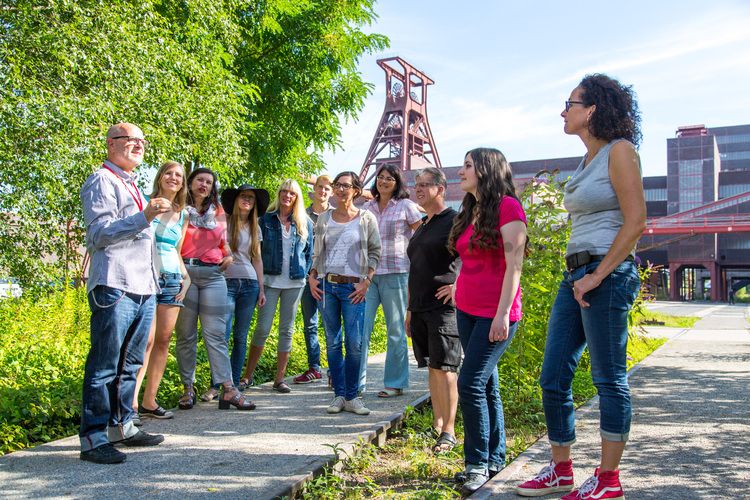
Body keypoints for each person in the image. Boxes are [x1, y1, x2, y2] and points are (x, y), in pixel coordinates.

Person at [516, 74, 645, 500]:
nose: (563, 110)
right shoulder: (587, 161)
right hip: (576, 276)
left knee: (608, 378)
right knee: (553, 375)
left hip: (605, 275)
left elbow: (636, 223)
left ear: (591, 110)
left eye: (569, 103)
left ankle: (609, 482)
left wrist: (597, 274)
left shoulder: (620, 152)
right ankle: (561, 469)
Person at [79, 122, 169, 464]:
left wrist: (154, 284)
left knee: (131, 363)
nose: (138, 145)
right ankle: (93, 439)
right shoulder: (102, 180)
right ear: (110, 144)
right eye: (130, 140)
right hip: (115, 285)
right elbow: (99, 235)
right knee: (104, 365)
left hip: (143, 287)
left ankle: (123, 427)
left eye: (142, 141)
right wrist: (144, 217)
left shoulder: (132, 185)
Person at [449, 148, 527, 495]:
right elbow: (468, 259)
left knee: (469, 382)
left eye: (467, 165)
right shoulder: (470, 209)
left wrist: (501, 315)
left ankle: (476, 464)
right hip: (466, 309)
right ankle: (496, 458)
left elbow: (514, 267)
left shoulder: (508, 207)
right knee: (486, 385)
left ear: (485, 169)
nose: (461, 170)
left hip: (495, 314)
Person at [174, 167, 255, 411]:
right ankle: (188, 388)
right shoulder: (178, 209)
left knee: (217, 334)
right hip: (185, 274)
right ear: (190, 183)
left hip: (213, 275)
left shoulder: (218, 211)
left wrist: (229, 255)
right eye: (200, 180)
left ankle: (229, 389)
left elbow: (224, 243)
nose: (204, 185)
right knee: (186, 335)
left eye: (209, 182)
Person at [309, 171, 381, 415]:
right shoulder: (324, 219)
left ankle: (353, 396)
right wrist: (312, 278)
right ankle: (339, 395)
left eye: (346, 186)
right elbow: (317, 253)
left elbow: (374, 252)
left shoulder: (366, 218)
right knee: (333, 342)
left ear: (356, 191)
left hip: (354, 288)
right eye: (337, 185)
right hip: (328, 287)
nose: (340, 190)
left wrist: (366, 282)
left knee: (355, 343)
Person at [405, 167, 461, 453]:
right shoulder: (424, 224)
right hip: (419, 306)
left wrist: (458, 285)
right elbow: (416, 268)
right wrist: (409, 309)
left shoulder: (455, 220)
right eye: (417, 185)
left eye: (426, 185)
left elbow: (472, 255)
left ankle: (449, 432)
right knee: (432, 367)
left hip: (443, 308)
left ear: (441, 189)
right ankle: (437, 424)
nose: (419, 189)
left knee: (446, 368)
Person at [240, 179, 313, 393]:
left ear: (297, 197)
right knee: (262, 329)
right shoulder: (265, 220)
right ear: (278, 194)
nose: (287, 196)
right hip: (270, 282)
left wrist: (304, 273)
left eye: (291, 193)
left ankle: (279, 379)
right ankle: (247, 376)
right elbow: (256, 251)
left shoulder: (305, 223)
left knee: (287, 330)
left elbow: (309, 253)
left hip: (294, 283)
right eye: (284, 191)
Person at [133, 161, 191, 423]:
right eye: (169, 173)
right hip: (145, 277)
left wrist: (186, 277)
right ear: (160, 177)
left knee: (163, 341)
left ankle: (149, 401)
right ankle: (130, 404)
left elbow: (176, 251)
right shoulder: (144, 202)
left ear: (182, 183)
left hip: (172, 279)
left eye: (178, 175)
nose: (173, 178)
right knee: (144, 341)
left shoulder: (183, 214)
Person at [360, 165, 422, 397]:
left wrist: (415, 264)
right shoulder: (367, 208)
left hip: (396, 273)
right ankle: (356, 383)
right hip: (368, 275)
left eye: (389, 178)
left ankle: (394, 383)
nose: (384, 182)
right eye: (380, 178)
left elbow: (421, 235)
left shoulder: (406, 206)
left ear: (397, 183)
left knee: (395, 329)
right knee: (360, 328)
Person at [220, 184, 269, 388]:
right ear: (236, 199)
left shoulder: (255, 226)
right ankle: (218, 384)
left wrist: (262, 288)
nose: (247, 200)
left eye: (251, 197)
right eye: (243, 196)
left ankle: (234, 383)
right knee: (223, 333)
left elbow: (257, 258)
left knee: (241, 336)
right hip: (226, 282)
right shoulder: (224, 222)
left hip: (249, 284)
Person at [294, 175, 333, 384]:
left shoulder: (337, 215)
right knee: (309, 323)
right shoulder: (302, 214)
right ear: (314, 189)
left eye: (327, 188)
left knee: (331, 324)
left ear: (331, 192)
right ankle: (314, 368)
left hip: (329, 278)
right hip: (306, 276)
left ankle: (334, 371)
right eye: (320, 187)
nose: (323, 191)